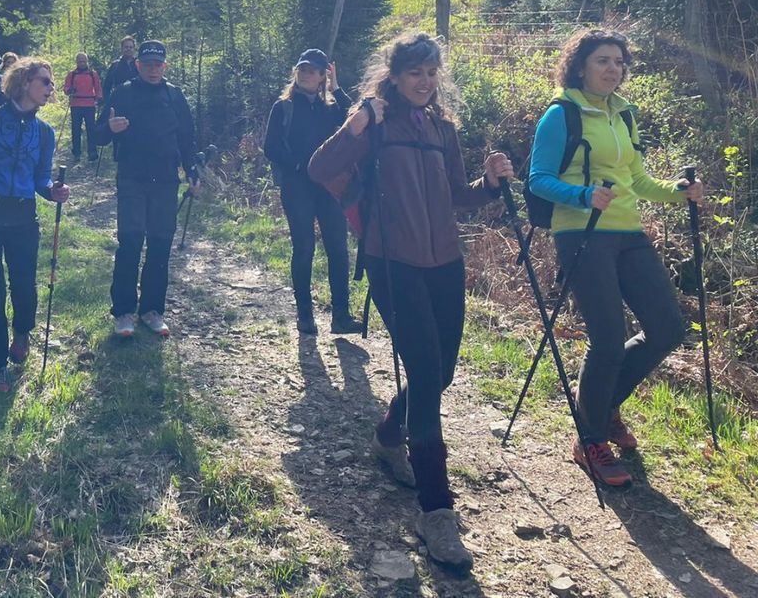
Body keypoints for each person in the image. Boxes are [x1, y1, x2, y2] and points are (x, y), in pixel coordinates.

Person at [308, 32, 512, 572]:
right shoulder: (373, 122)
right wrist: (355, 127)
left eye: (431, 72)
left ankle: (388, 431)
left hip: (444, 260)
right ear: (394, 76)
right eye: (414, 72)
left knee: (439, 372)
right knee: (425, 371)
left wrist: (488, 185)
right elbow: (320, 171)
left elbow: (455, 195)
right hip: (392, 261)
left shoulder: (443, 128)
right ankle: (436, 509)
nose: (424, 81)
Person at [528, 28, 704, 487]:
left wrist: (677, 192)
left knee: (667, 328)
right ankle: (589, 439)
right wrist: (584, 194)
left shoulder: (623, 114)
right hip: (581, 232)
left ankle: (599, 409)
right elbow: (538, 179)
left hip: (629, 231)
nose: (613, 69)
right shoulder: (561, 114)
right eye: (603, 60)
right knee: (607, 338)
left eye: (619, 62)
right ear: (581, 65)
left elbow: (638, 180)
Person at [0, 57, 72, 391]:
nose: (51, 88)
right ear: (23, 83)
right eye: (45, 82)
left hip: (22, 217)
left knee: (24, 287)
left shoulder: (45, 132)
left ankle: (22, 331)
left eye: (50, 83)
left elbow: (40, 180)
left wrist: (54, 191)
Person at [95, 40, 198, 338]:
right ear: (138, 65)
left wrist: (193, 172)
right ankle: (124, 312)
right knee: (129, 242)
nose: (153, 69)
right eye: (147, 64)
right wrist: (109, 129)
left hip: (166, 179)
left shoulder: (175, 95)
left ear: (164, 67)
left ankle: (152, 310)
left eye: (158, 65)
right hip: (131, 178)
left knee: (160, 244)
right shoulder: (122, 93)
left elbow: (187, 138)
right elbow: (99, 135)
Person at [262, 49, 361, 336]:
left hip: (329, 187)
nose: (306, 73)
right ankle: (305, 316)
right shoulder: (283, 107)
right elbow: (271, 147)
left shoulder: (331, 107)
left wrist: (337, 88)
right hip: (297, 187)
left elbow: (356, 117)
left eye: (313, 70)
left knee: (338, 250)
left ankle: (341, 317)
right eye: (302, 68)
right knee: (304, 248)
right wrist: (298, 166)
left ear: (322, 76)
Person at [63, 52, 103, 162]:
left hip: (89, 104)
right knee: (75, 130)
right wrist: (69, 90)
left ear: (87, 61)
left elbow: (98, 87)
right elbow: (66, 87)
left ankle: (92, 152)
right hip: (75, 104)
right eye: (80, 61)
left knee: (91, 129)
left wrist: (99, 98)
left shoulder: (92, 74)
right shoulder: (72, 74)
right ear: (76, 62)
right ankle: (76, 153)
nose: (82, 63)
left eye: (84, 61)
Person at [101, 35, 139, 102]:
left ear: (134, 49)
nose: (128, 49)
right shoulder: (115, 65)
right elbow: (107, 86)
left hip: (137, 101)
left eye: (131, 47)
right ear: (122, 48)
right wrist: (108, 102)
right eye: (126, 47)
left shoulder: (139, 65)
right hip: (120, 102)